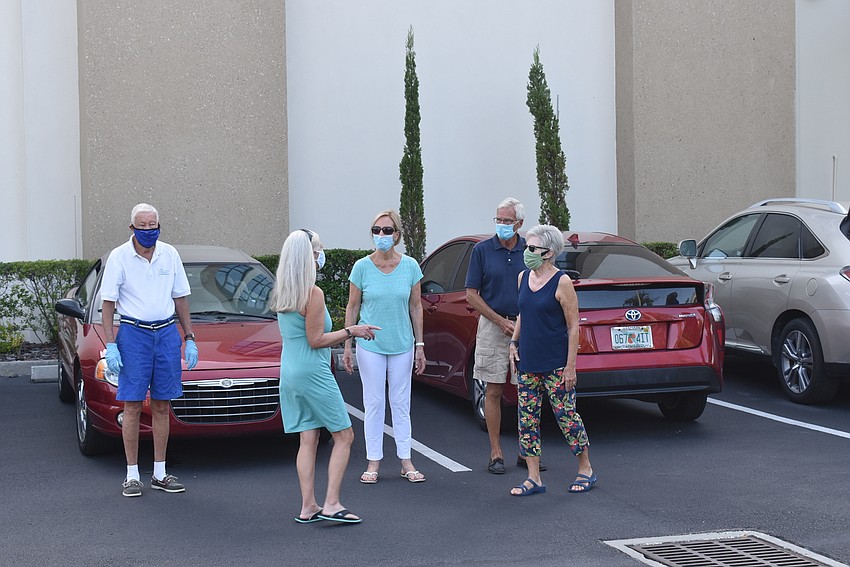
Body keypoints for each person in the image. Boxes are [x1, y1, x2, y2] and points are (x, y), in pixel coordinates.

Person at [271, 229, 379, 524]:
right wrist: (351, 331)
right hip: (312, 371)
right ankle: (331, 503)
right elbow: (316, 339)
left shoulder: (283, 290)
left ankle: (309, 506)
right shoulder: (312, 293)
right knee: (344, 435)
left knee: (308, 439)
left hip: (290, 371)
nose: (322, 255)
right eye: (318, 250)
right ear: (309, 255)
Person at [100, 203, 198, 497]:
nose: (148, 232)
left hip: (166, 332)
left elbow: (180, 299)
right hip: (133, 333)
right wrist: (111, 344)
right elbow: (108, 303)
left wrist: (190, 337)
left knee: (161, 403)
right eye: (142, 227)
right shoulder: (119, 257)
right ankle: (131, 475)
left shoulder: (170, 254)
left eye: (152, 226)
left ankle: (160, 472)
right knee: (131, 404)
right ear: (132, 228)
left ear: (159, 226)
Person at [508, 224, 596, 496]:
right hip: (528, 362)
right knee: (527, 420)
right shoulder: (523, 277)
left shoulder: (562, 282)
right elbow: (523, 313)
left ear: (548, 253)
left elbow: (573, 326)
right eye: (527, 246)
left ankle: (586, 469)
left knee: (567, 417)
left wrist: (570, 366)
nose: (527, 252)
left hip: (556, 363)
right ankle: (533, 477)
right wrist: (513, 341)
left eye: (532, 248)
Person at [342, 210, 427, 484]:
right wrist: (347, 345)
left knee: (401, 403)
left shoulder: (411, 266)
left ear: (397, 235)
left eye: (387, 230)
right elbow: (353, 306)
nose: (381, 235)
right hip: (370, 346)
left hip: (402, 344)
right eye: (376, 230)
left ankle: (406, 460)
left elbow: (416, 306)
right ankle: (373, 461)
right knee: (374, 402)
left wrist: (420, 344)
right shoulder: (362, 267)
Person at [465, 197, 546, 475]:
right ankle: (496, 452)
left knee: (529, 390)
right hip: (492, 326)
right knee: (494, 388)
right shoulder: (482, 250)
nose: (501, 225)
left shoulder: (531, 250)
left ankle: (527, 451)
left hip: (528, 326)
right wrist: (500, 321)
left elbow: (543, 283)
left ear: (519, 223)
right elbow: (471, 294)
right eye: (498, 220)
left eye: (507, 221)